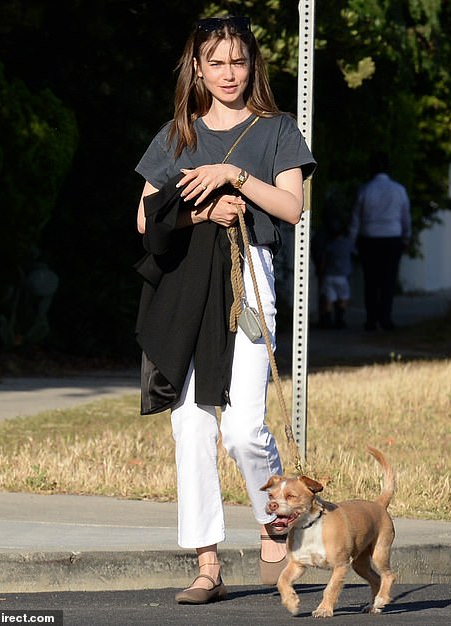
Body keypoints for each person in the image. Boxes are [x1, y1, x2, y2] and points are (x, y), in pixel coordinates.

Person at [134, 15, 316, 604]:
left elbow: (291, 208)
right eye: (216, 62)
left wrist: (233, 175)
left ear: (253, 65)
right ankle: (207, 562)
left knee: (240, 428)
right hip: (189, 283)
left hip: (248, 277)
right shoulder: (177, 134)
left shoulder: (277, 129)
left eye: (238, 61)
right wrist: (201, 214)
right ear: (198, 67)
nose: (228, 73)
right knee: (190, 420)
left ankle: (272, 515)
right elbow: (144, 219)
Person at [349, 152, 411, 331]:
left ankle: (371, 319)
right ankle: (386, 318)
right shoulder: (399, 190)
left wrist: (352, 242)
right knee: (388, 281)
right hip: (392, 238)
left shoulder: (365, 189)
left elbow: (356, 219)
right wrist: (406, 237)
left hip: (369, 239)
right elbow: (405, 217)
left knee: (371, 281)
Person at [312, 215, 353, 329]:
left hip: (329, 275)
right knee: (343, 297)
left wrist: (321, 271)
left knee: (329, 298)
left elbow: (324, 259)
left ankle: (327, 320)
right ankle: (340, 320)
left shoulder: (330, 245)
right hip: (342, 275)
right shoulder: (348, 243)